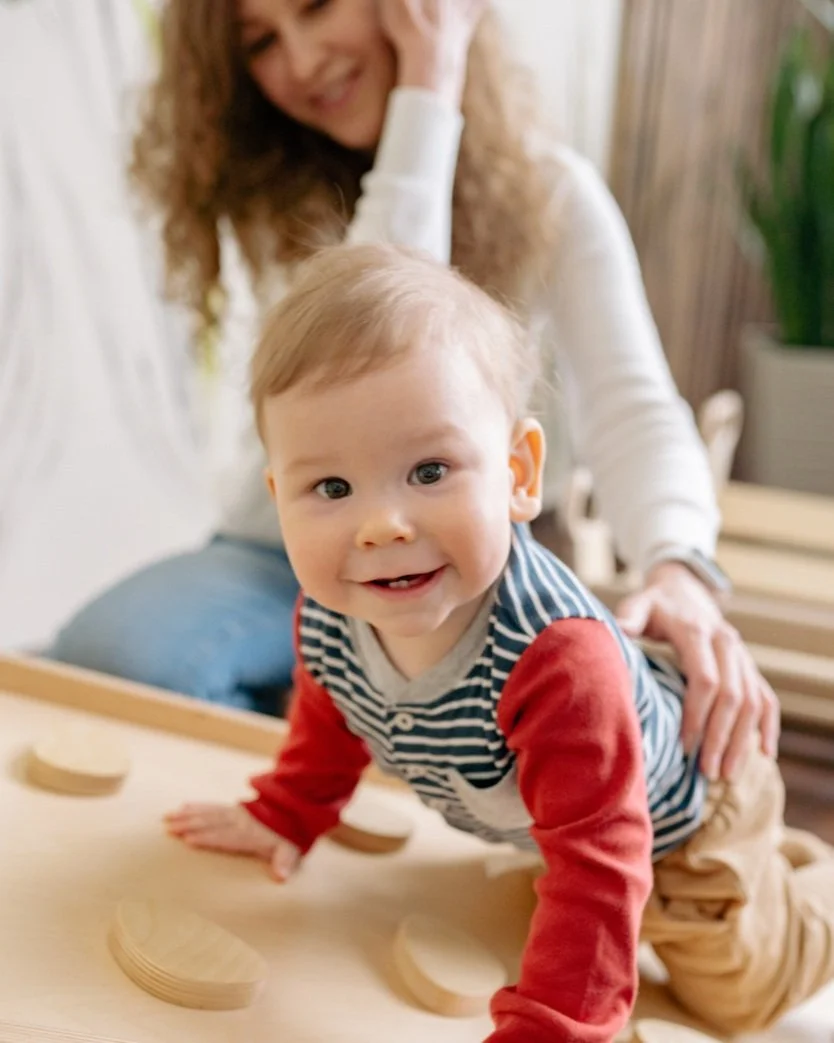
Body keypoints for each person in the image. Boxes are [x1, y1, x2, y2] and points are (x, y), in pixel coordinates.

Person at [52, 0, 778, 781]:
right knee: (107, 654)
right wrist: (427, 91)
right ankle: (340, 739)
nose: (298, 62)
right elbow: (366, 340)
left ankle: (363, 730)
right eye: (261, 42)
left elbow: (636, 409)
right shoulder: (284, 204)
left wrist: (679, 567)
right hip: (288, 555)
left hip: (466, 564)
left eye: (316, 7)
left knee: (565, 722)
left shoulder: (553, 195)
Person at [166, 243, 834, 1043]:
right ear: (280, 499)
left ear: (519, 472)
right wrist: (284, 814)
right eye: (332, 488)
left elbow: (598, 861)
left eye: (429, 469)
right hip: (565, 805)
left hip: (688, 815)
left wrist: (552, 1029)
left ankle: (811, 893)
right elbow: (333, 717)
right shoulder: (329, 613)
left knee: (742, 995)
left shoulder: (556, 659)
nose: (382, 524)